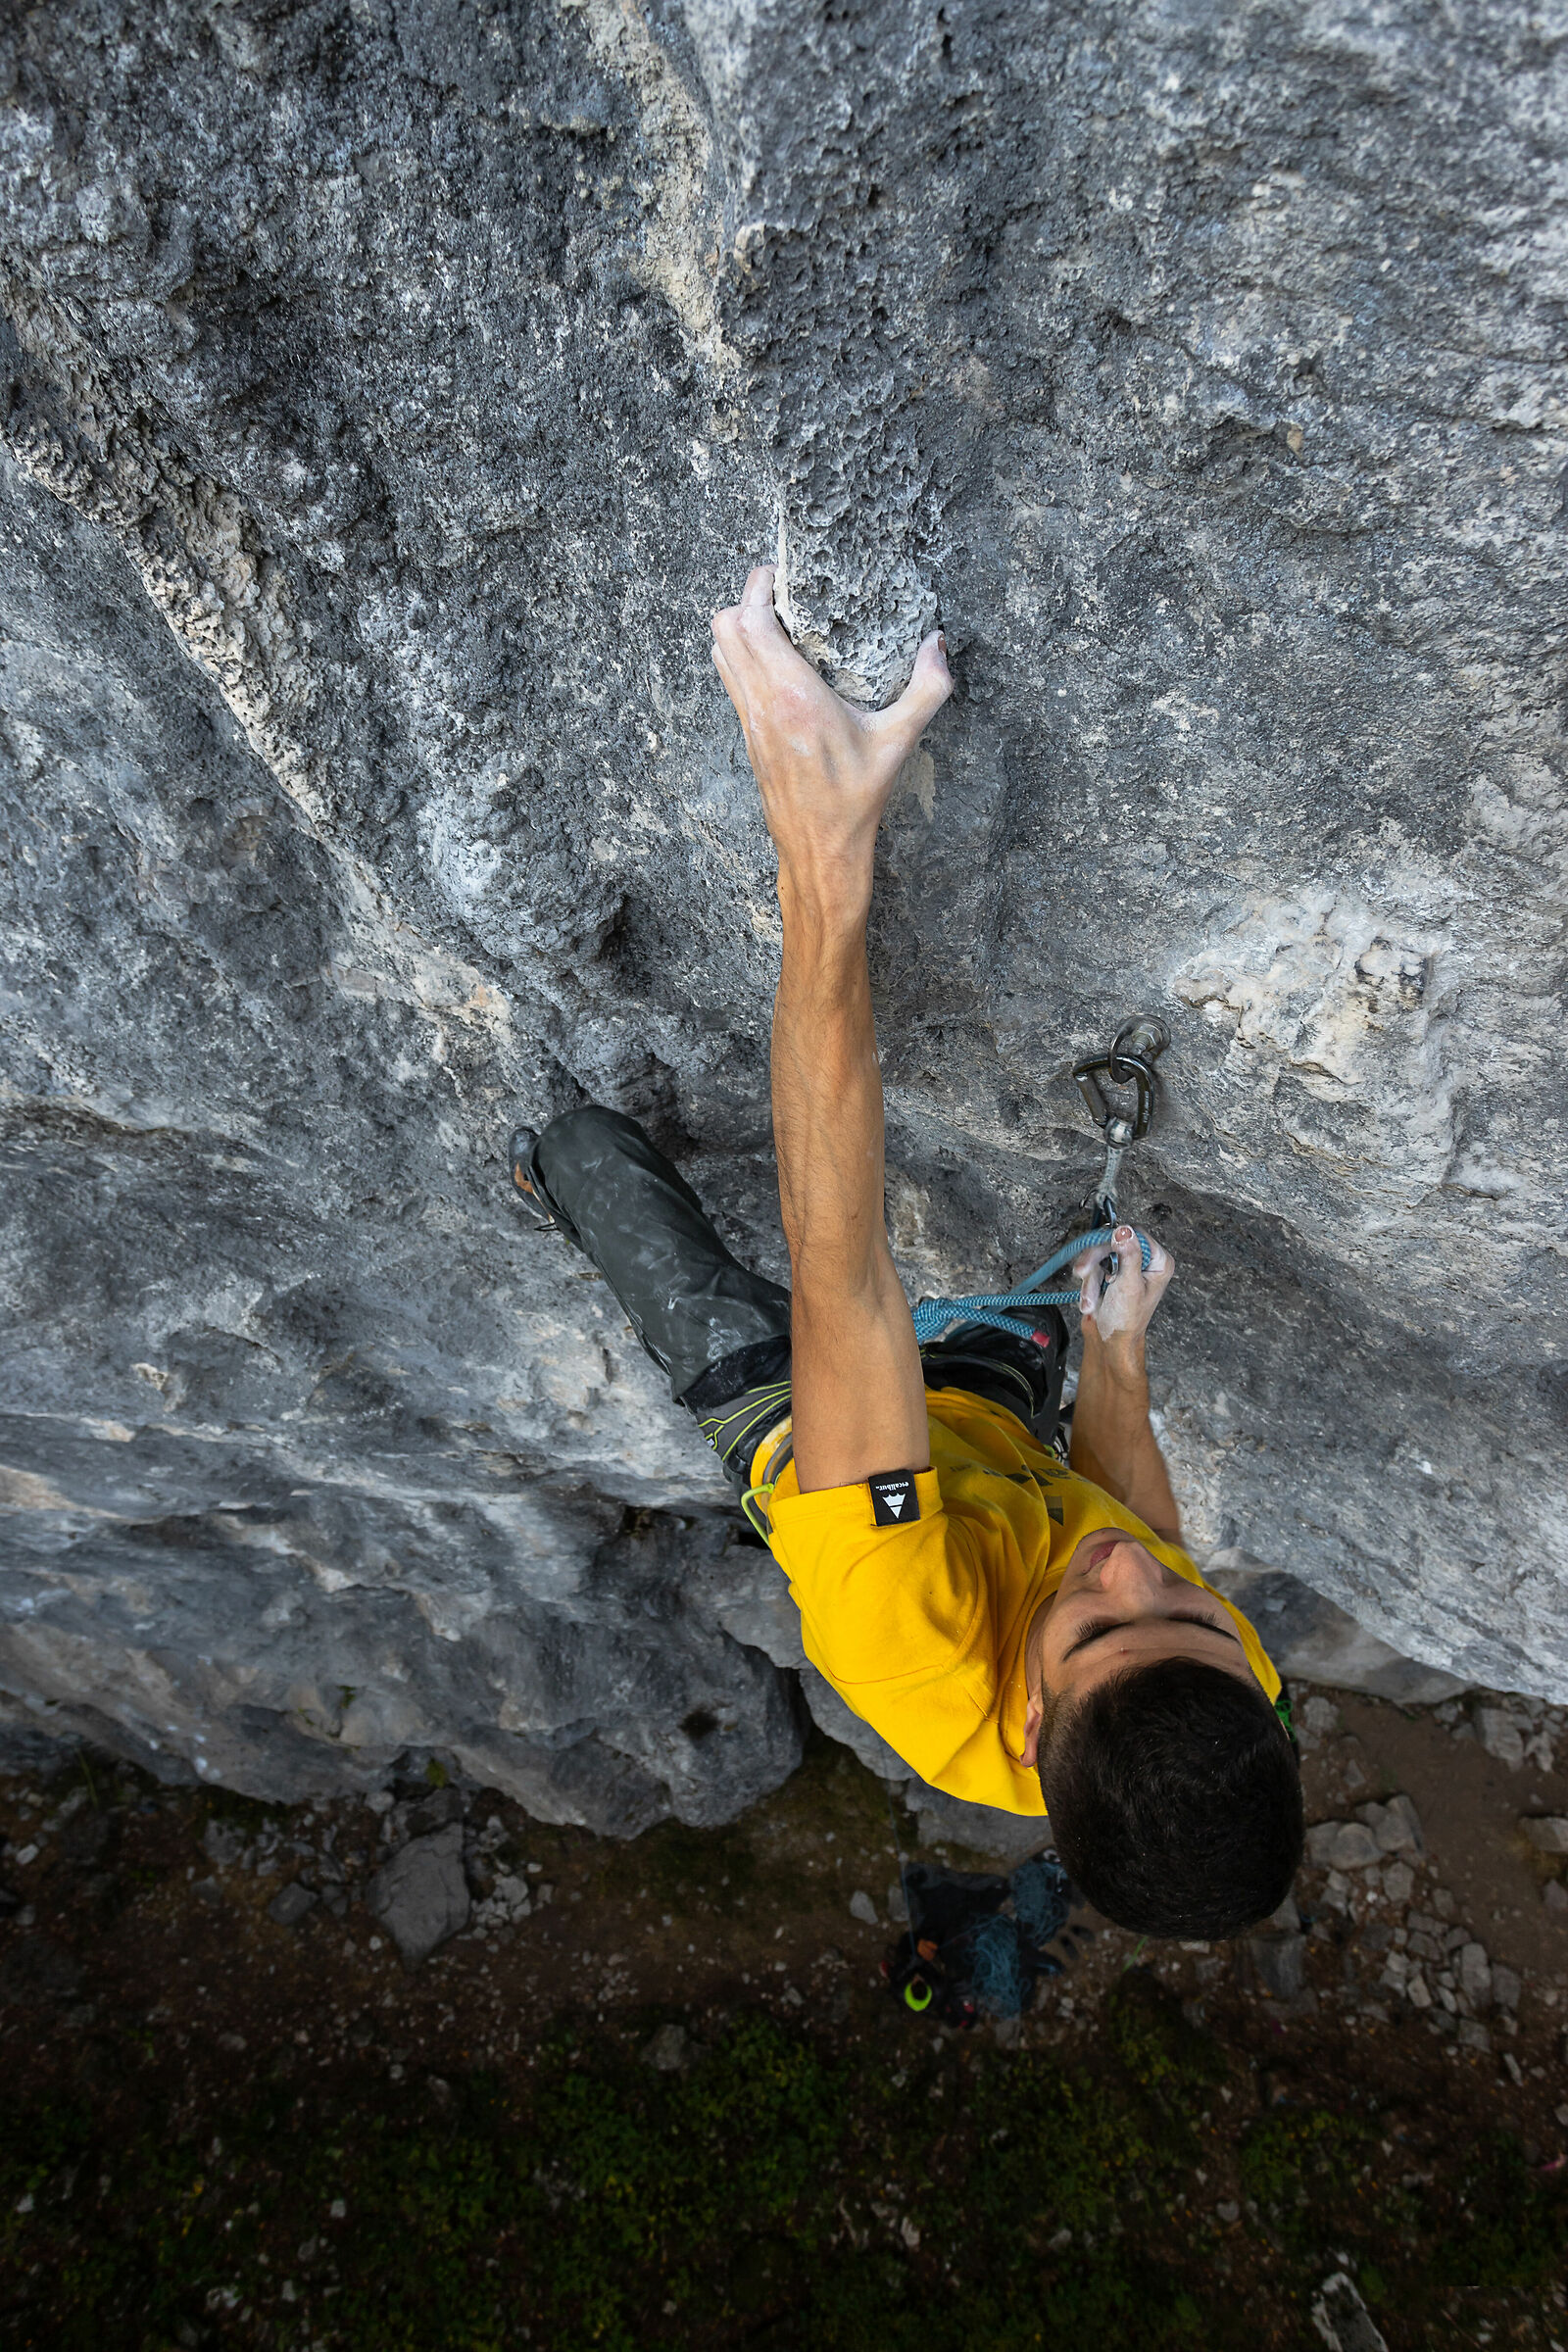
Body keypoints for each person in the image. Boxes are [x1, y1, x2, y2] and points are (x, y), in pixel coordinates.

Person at [508, 565, 1302, 1939]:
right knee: (1062, 1333)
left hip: (832, 1454)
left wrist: (822, 857)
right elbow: (1137, 1539)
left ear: (1036, 1713)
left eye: (1100, 1631)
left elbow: (845, 1274)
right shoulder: (1219, 1693)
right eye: (1187, 1612)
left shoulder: (908, 1644)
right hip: (1000, 1454)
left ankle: (547, 1172)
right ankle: (1048, 1351)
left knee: (590, 1155)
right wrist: (1117, 1356)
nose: (1137, 1583)